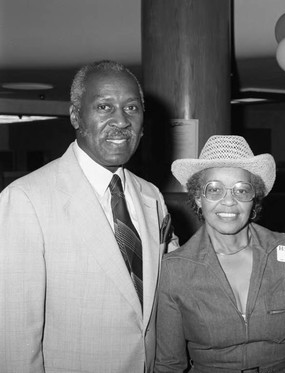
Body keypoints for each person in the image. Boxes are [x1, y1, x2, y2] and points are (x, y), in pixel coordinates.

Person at [0, 60, 178, 372]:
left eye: (132, 108)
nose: (121, 120)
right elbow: (15, 339)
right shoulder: (26, 200)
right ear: (75, 116)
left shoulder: (151, 197)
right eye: (104, 106)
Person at [154, 135, 285, 373]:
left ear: (254, 198)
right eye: (213, 189)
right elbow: (169, 364)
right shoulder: (175, 269)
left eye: (241, 190)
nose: (228, 202)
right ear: (197, 197)